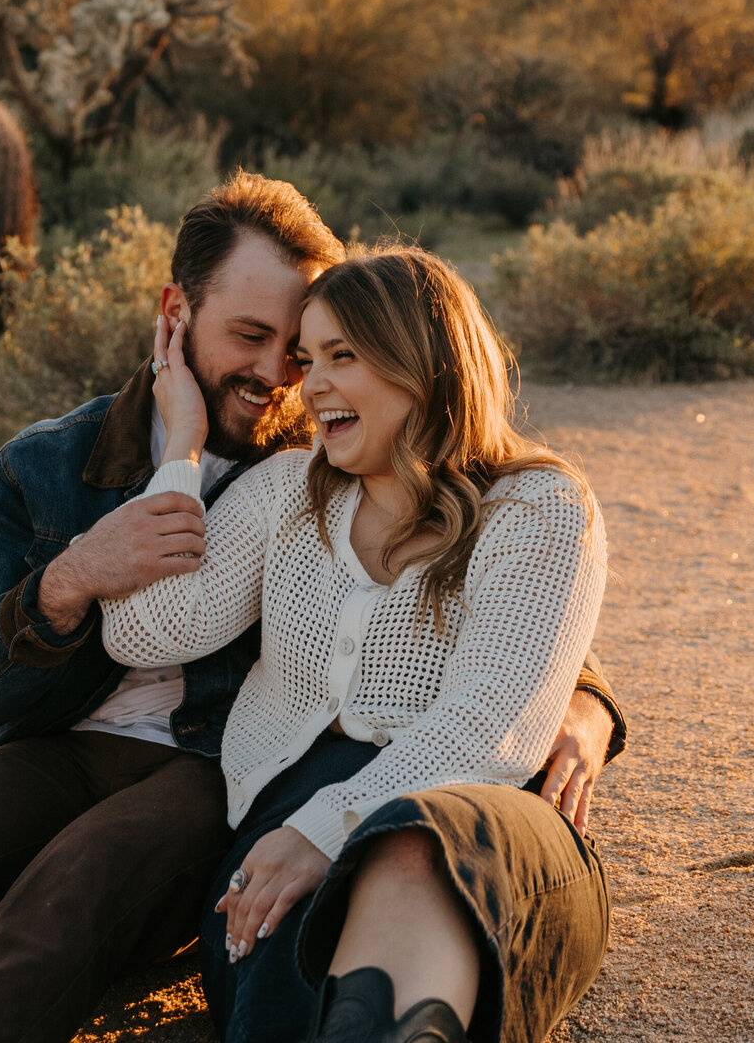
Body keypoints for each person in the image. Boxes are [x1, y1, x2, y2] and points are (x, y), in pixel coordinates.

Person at [0, 173, 625, 1043]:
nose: (282, 377)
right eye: (254, 338)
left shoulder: (324, 451)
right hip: (69, 739)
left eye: (309, 351)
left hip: (210, 761)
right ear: (175, 313)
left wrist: (585, 703)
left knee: (81, 882)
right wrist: (70, 577)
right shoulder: (44, 467)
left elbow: (500, 620)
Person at [103, 246, 611, 1043]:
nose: (310, 386)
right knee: (296, 965)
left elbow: (495, 722)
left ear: (428, 361)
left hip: (490, 828)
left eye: (344, 356)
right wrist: (181, 456)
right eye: (309, 361)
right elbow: (143, 628)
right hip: (284, 824)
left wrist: (327, 827)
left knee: (410, 840)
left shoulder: (538, 507)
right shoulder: (286, 493)